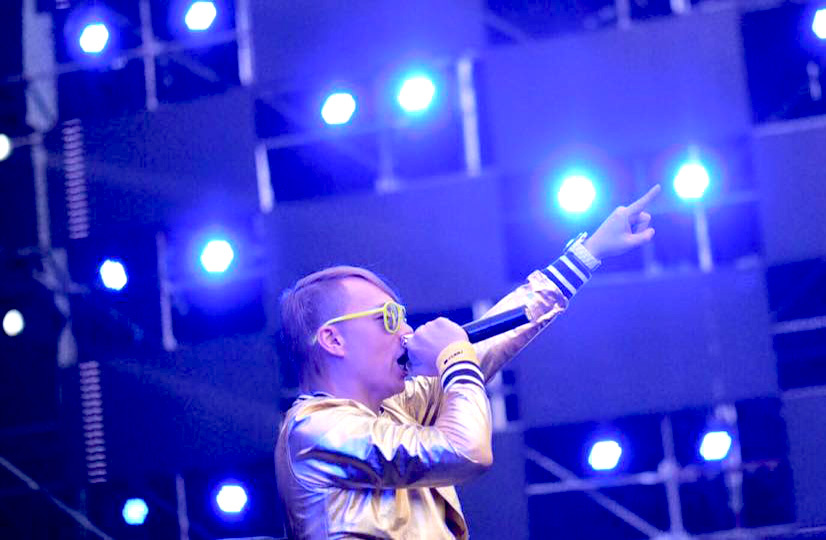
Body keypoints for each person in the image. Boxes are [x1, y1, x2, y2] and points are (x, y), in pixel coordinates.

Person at [275, 185, 661, 540]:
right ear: (333, 339)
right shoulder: (313, 430)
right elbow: (465, 450)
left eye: (402, 316)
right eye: (389, 318)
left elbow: (492, 340)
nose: (406, 331)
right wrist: (455, 356)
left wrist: (587, 254)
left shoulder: (393, 411)